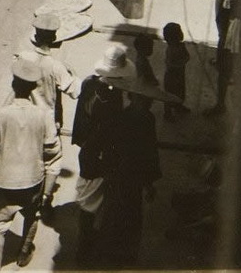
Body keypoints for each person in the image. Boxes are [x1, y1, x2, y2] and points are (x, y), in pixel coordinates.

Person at [0, 54, 58, 271]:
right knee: (31, 214)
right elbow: (51, 147)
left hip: (7, 181)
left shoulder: (2, 114)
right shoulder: (43, 115)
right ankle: (24, 252)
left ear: (14, 85)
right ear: (34, 87)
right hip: (34, 178)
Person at [72, 44, 136, 267]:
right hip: (102, 157)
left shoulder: (89, 84)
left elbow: (80, 123)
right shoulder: (115, 101)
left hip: (90, 154)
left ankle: (87, 243)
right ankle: (87, 247)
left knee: (90, 200)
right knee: (93, 203)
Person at [17, 10, 81, 205]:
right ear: (54, 38)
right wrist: (73, 73)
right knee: (52, 162)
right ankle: (44, 199)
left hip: (24, 117)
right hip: (47, 120)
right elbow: (75, 91)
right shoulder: (56, 66)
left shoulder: (23, 58)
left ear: (35, 36)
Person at [97, 81, 161, 269]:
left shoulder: (131, 117)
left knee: (122, 215)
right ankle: (119, 255)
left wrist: (148, 183)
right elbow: (149, 152)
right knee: (124, 215)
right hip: (127, 176)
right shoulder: (138, 119)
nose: (148, 103)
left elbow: (149, 151)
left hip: (126, 176)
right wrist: (149, 183)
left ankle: (117, 255)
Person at [162, 22, 189, 121]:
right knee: (169, 95)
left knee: (180, 92)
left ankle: (179, 106)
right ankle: (167, 113)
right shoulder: (170, 50)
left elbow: (187, 56)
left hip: (179, 75)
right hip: (171, 77)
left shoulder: (181, 46)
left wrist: (183, 61)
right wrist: (180, 64)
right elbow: (169, 64)